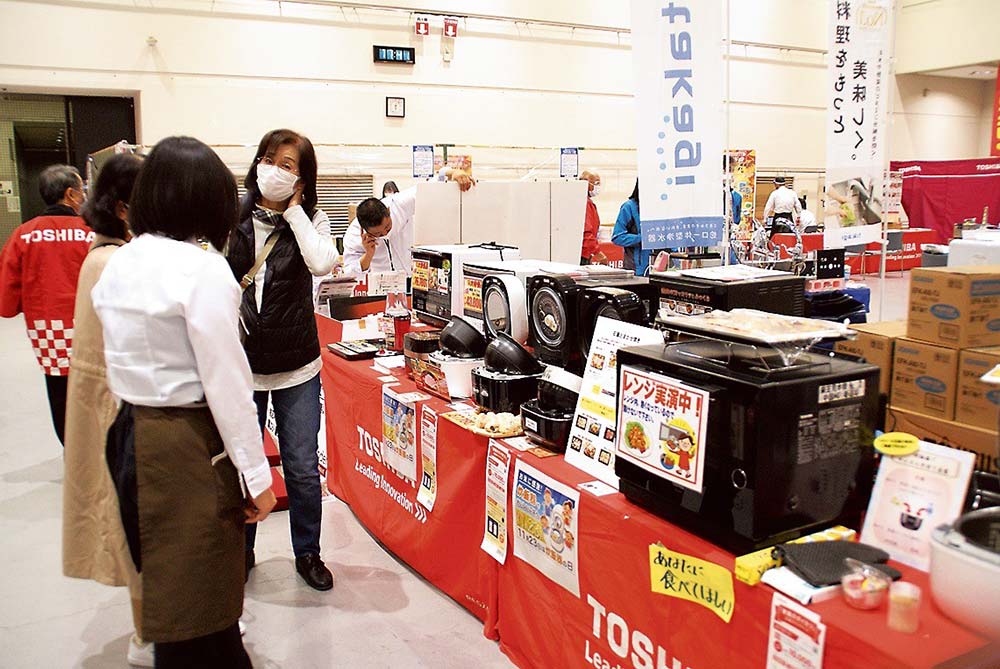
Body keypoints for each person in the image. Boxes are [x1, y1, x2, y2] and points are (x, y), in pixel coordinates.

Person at [91, 136, 276, 666]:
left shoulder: (120, 262)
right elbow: (227, 385)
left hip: (130, 433)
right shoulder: (202, 271)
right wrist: (258, 479)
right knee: (200, 610)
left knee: (171, 593)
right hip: (184, 446)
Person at [227, 128, 339, 592]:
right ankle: (241, 549)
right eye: (270, 159)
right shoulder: (231, 216)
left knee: (299, 465)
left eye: (288, 164)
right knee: (243, 462)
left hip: (297, 366)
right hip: (241, 364)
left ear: (303, 177)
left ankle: (308, 552)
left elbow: (321, 264)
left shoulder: (314, 218)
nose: (275, 168)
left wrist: (294, 210)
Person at [61, 154, 152, 666]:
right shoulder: (115, 262)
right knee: (131, 529)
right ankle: (147, 633)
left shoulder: (105, 256)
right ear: (122, 207)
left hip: (110, 407)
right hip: (120, 413)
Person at [0, 165, 93, 446]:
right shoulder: (91, 233)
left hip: (47, 331)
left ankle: (72, 451)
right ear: (70, 194)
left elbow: (6, 300)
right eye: (82, 191)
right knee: (95, 390)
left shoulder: (23, 235)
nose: (84, 196)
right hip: (91, 328)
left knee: (59, 394)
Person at [342, 167, 475, 276]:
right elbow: (350, 274)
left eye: (388, 227)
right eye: (378, 234)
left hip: (413, 277)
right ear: (364, 230)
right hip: (381, 287)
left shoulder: (399, 204)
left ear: (388, 211)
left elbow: (433, 185)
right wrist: (369, 254)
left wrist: (454, 173)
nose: (384, 233)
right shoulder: (353, 235)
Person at [612, 180, 654, 276]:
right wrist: (642, 239)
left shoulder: (664, 207)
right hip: (636, 270)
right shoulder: (629, 207)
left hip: (662, 271)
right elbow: (617, 237)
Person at [579, 170, 608, 265]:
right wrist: (598, 253)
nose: (598, 187)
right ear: (586, 183)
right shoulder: (584, 203)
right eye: (596, 183)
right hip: (582, 254)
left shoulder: (586, 201)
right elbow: (586, 233)